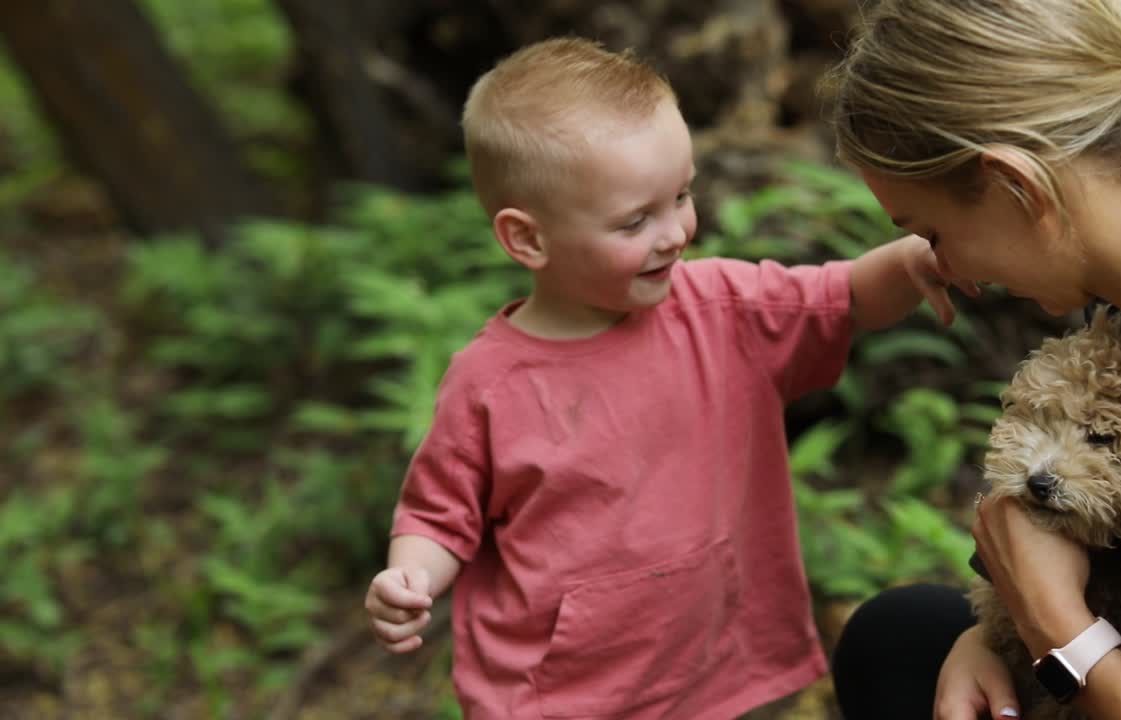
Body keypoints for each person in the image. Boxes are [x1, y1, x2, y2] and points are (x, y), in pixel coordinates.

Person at [362, 36, 974, 719]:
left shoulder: (723, 310)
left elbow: (845, 297)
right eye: (635, 220)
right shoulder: (490, 382)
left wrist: (915, 256)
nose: (675, 232)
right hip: (560, 694)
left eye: (681, 195)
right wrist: (410, 575)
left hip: (716, 667)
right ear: (527, 239)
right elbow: (439, 513)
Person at [824, 0, 1121, 718]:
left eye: (933, 234)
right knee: (902, 636)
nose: (946, 269)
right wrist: (996, 636)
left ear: (1017, 185)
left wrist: (1053, 630)